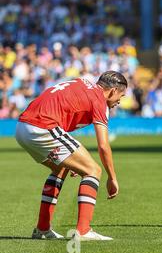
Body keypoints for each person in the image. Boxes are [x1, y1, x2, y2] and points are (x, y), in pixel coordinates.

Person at [15, 71, 127, 240]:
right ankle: (83, 231)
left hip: (22, 127)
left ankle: (42, 229)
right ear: (112, 91)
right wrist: (112, 177)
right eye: (121, 95)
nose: (119, 101)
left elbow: (59, 106)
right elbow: (103, 146)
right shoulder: (99, 100)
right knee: (93, 170)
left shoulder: (81, 83)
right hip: (42, 126)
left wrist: (70, 160)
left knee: (60, 169)